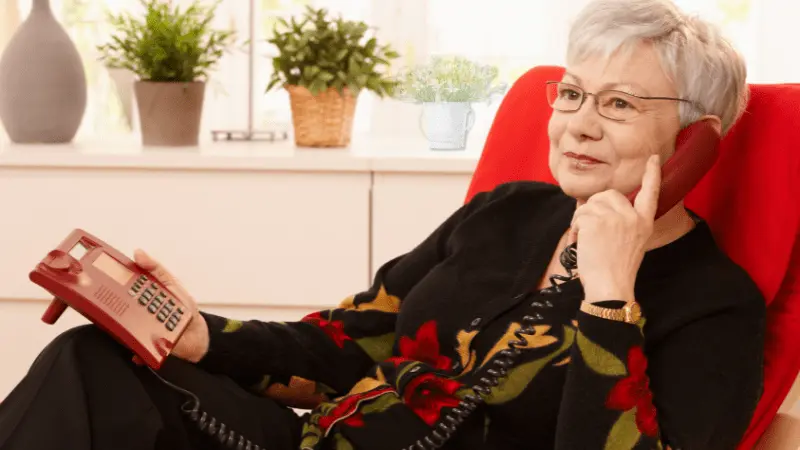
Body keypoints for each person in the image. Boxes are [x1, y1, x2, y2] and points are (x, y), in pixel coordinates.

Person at [0, 0, 765, 449]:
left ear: (695, 141)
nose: (577, 125)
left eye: (620, 104)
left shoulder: (714, 304)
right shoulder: (509, 213)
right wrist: (203, 333)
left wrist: (607, 297)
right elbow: (346, 339)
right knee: (89, 359)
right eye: (570, 94)